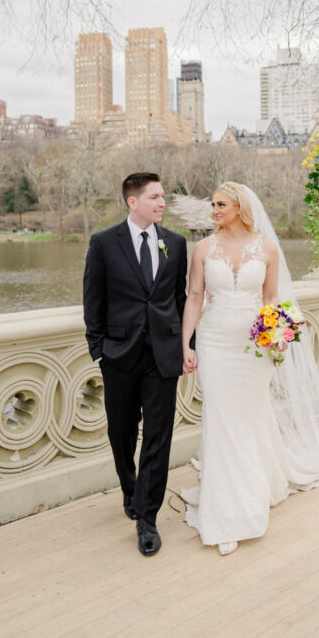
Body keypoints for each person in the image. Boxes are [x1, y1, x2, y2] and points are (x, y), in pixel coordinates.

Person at [181, 182, 319, 556]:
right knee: (220, 420)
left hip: (254, 348)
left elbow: (270, 299)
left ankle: (252, 494)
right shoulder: (202, 248)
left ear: (240, 206)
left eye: (221, 204)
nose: (214, 210)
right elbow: (196, 296)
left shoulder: (267, 249)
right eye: (212, 204)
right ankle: (225, 507)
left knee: (248, 418)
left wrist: (277, 336)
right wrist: (186, 343)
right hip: (215, 344)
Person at [83, 172, 189, 557]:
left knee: (158, 437)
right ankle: (130, 487)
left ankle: (147, 517)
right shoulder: (104, 244)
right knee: (122, 434)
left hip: (162, 357)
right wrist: (99, 350)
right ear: (133, 201)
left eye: (163, 196)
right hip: (119, 357)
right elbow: (92, 302)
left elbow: (178, 300)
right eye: (155, 197)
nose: (162, 202)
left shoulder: (175, 244)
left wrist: (183, 345)